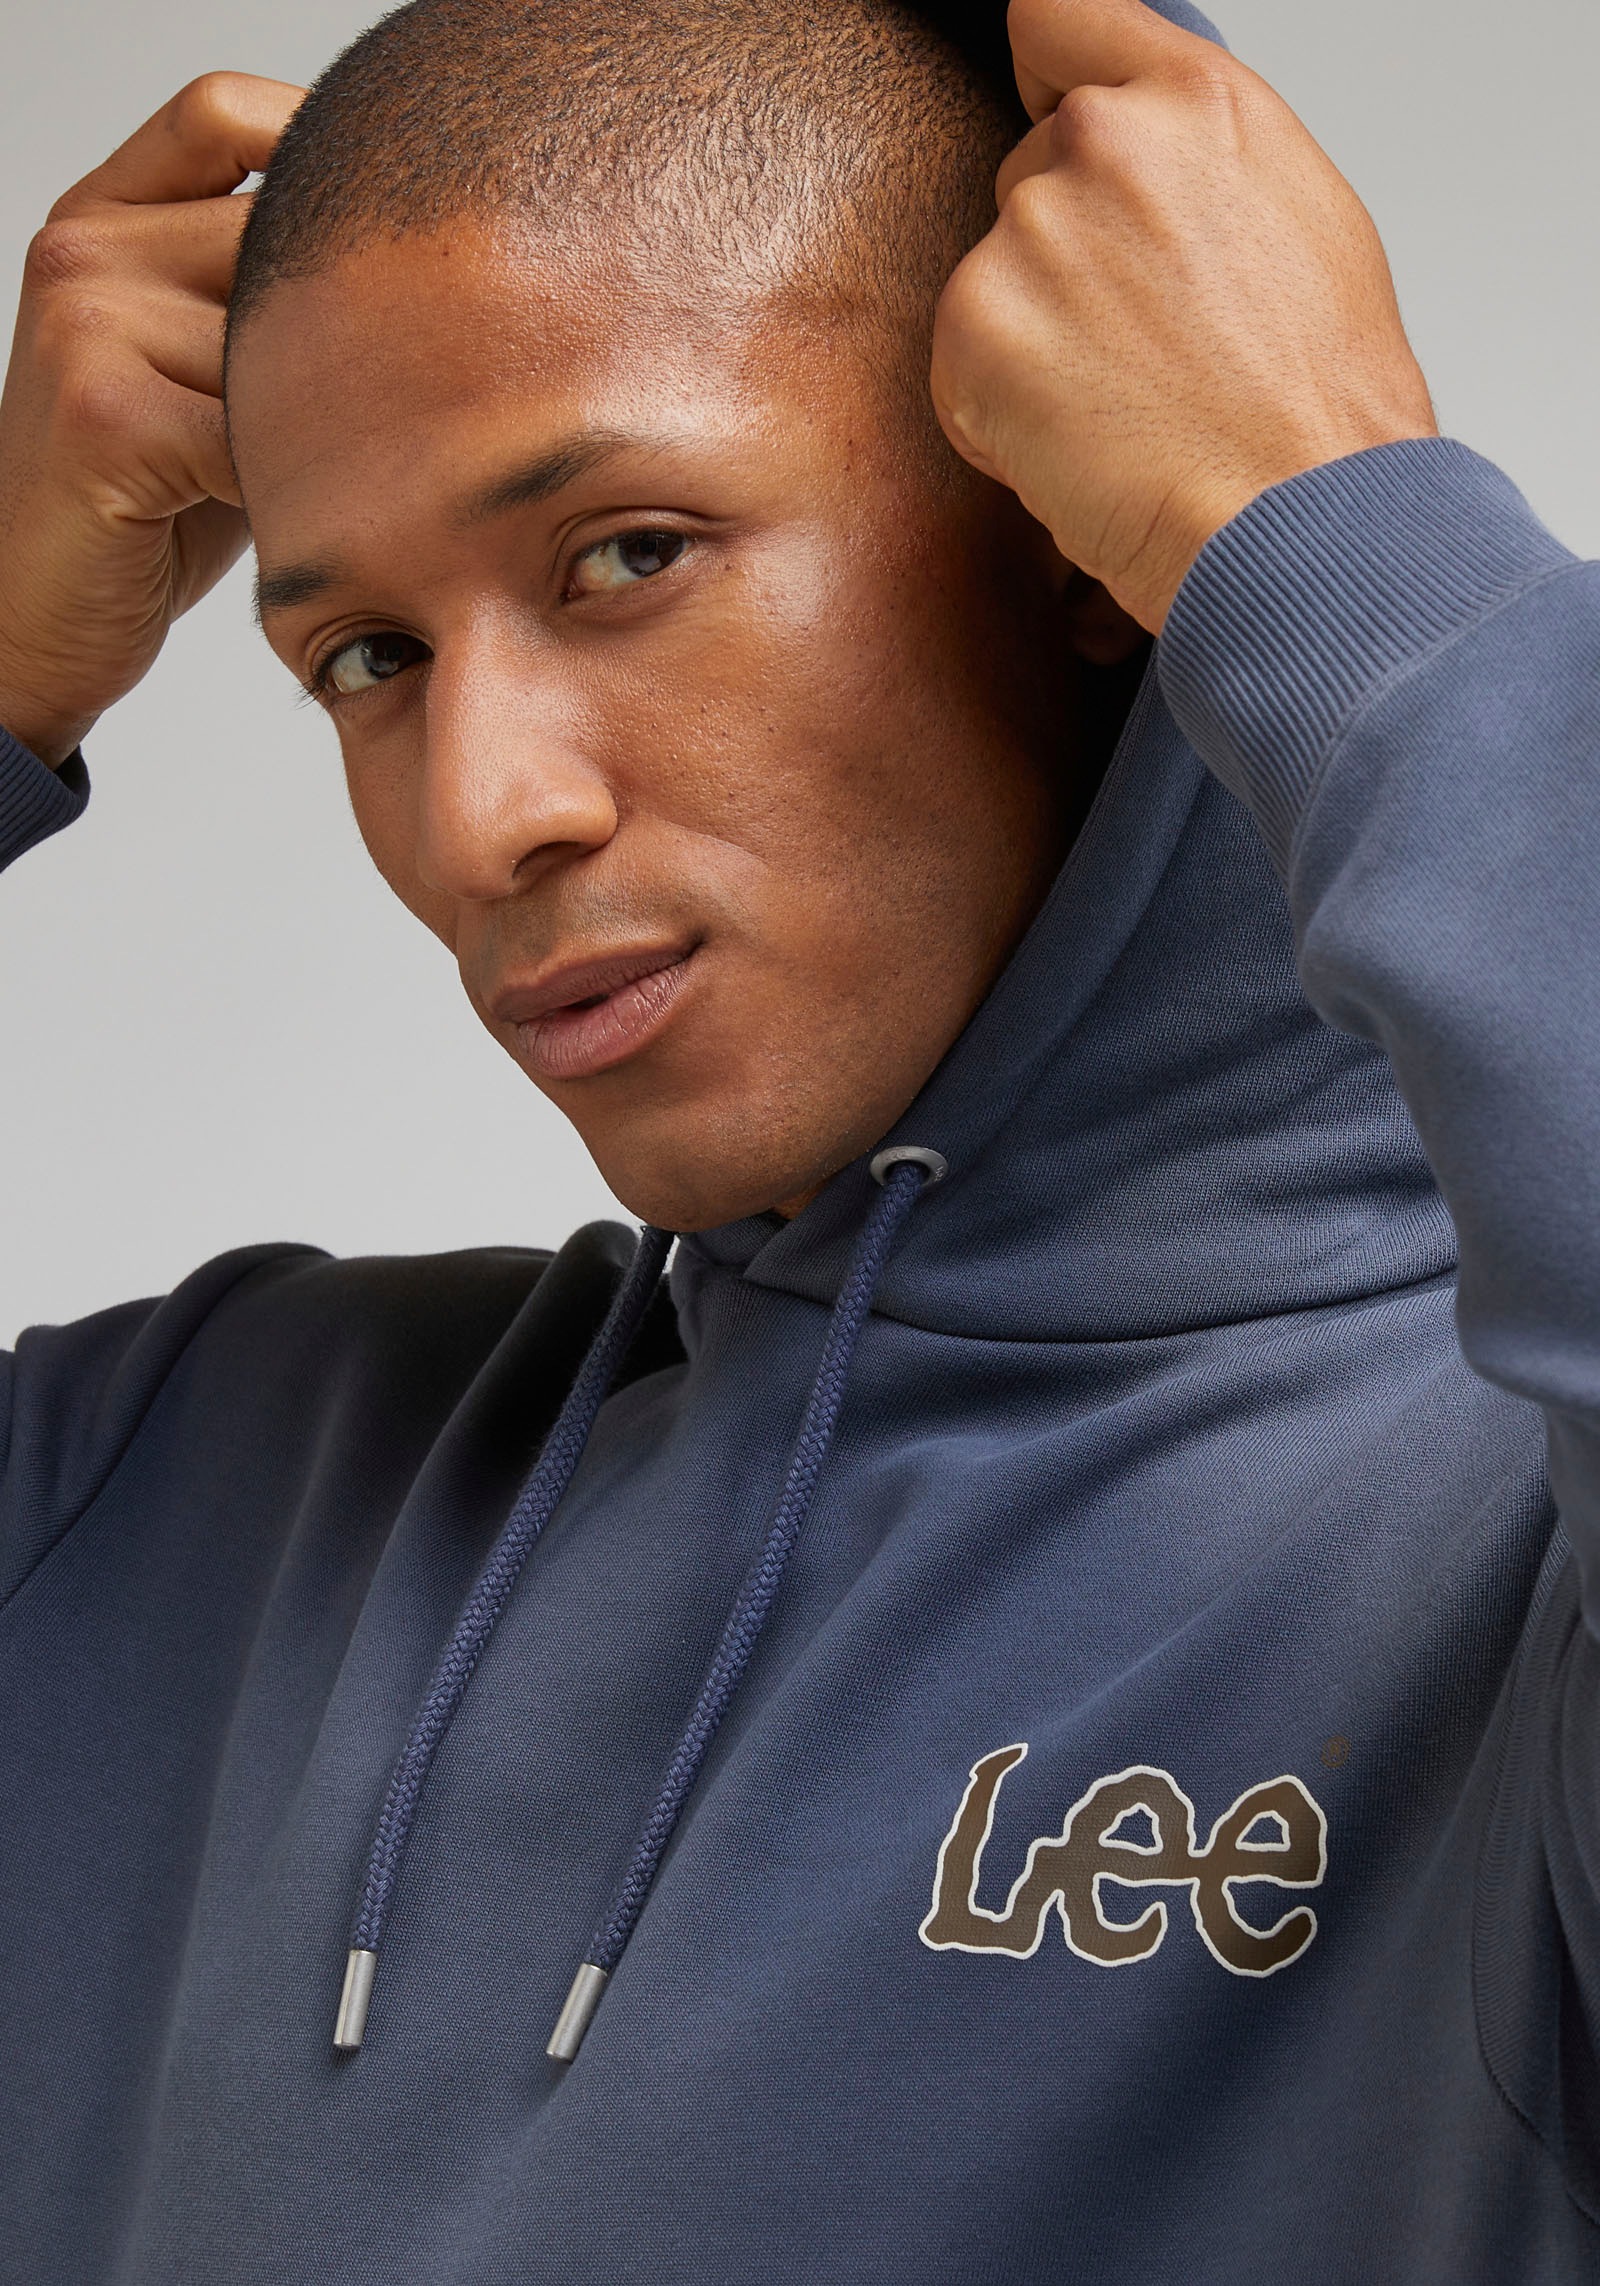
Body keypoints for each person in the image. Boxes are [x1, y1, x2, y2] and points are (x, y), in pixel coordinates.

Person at [1, 0, 1596, 2276]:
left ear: (1073, 534)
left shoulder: (1503, 1570)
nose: (477, 818)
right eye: (367, 658)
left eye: (626, 554)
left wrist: (1336, 525)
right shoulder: (176, 1489)